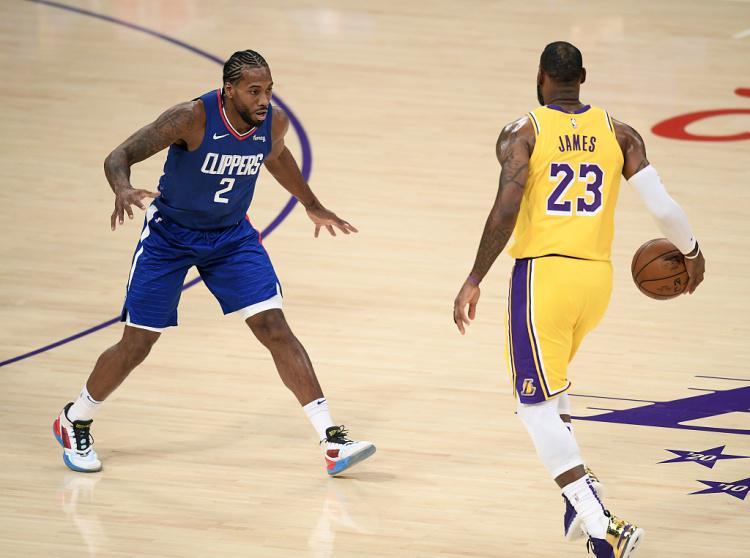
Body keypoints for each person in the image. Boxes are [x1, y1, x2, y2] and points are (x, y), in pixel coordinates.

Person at [53, 49, 375, 478]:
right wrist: (123, 188)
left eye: (269, 90)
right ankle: (75, 418)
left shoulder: (272, 123)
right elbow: (118, 156)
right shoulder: (191, 118)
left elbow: (276, 156)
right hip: (169, 238)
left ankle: (331, 439)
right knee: (138, 344)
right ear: (229, 90)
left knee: (274, 327)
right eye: (254, 91)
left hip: (230, 238)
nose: (264, 100)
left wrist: (312, 204)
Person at [452, 41, 705, 557]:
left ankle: (597, 519)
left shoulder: (522, 132)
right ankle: (579, 503)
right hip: (596, 281)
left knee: (533, 406)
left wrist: (475, 276)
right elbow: (662, 207)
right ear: (582, 76)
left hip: (543, 276)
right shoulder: (620, 133)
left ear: (540, 76)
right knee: (554, 387)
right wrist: (693, 251)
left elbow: (507, 208)